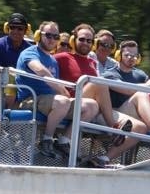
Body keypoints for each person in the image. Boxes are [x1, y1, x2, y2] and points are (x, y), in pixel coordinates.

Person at [54, 24, 143, 166]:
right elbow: (46, 73)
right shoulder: (62, 57)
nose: (85, 43)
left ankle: (102, 159)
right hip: (75, 101)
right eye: (82, 39)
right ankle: (114, 130)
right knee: (100, 83)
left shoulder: (92, 62)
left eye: (89, 41)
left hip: (95, 107)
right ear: (73, 40)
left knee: (140, 128)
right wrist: (60, 91)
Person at [16, 20, 99, 160]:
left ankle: (64, 141)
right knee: (62, 101)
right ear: (38, 35)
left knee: (91, 106)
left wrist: (63, 94)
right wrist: (62, 90)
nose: (52, 39)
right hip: (31, 100)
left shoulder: (52, 60)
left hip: (53, 102)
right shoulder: (30, 53)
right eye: (48, 35)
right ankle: (47, 140)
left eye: (56, 37)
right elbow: (40, 70)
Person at [0, 12, 32, 83]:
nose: (15, 31)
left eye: (20, 28)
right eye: (12, 27)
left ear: (25, 31)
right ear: (7, 29)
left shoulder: (30, 50)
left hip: (23, 87)